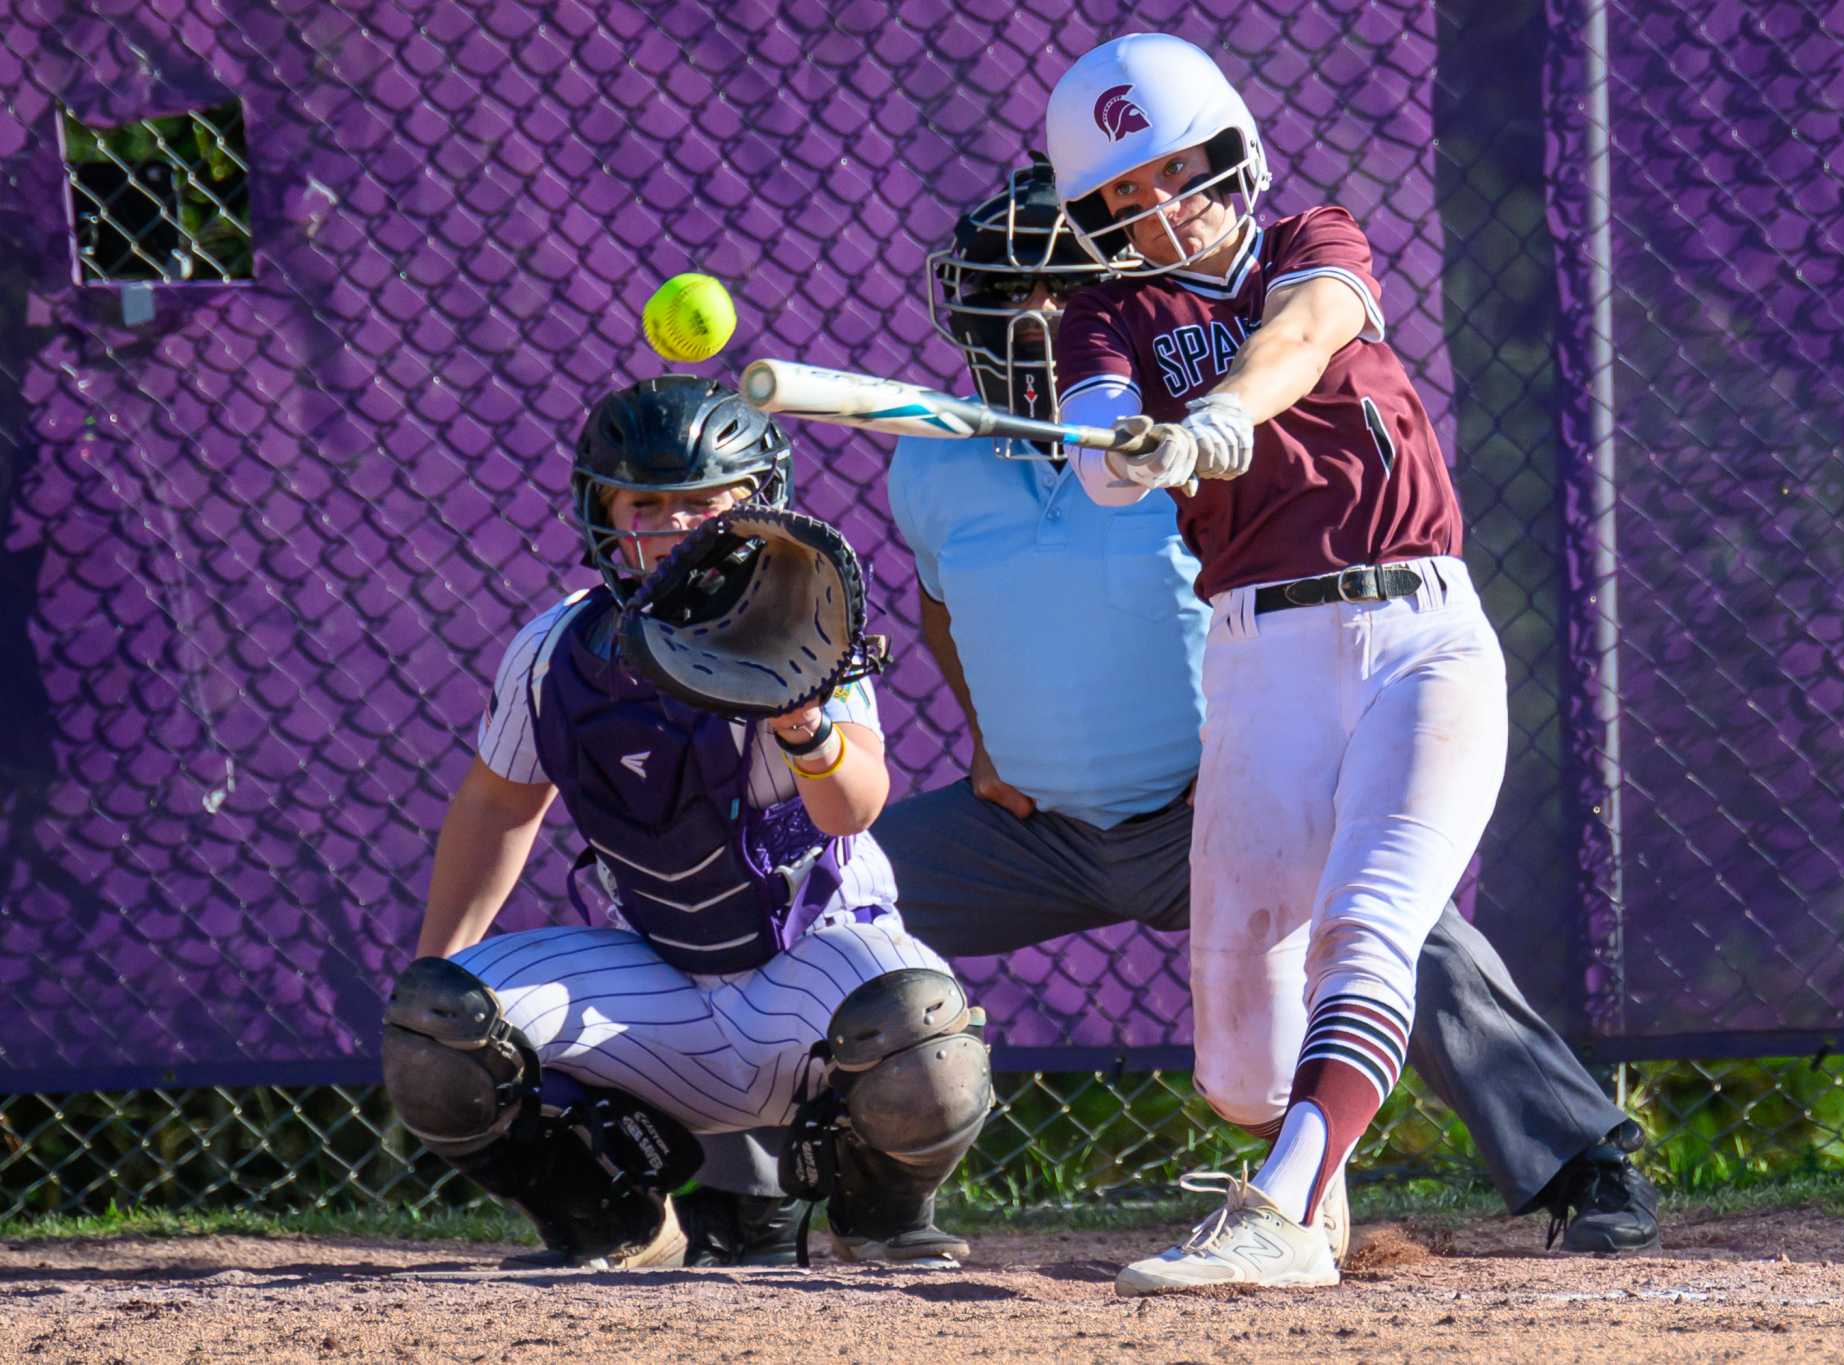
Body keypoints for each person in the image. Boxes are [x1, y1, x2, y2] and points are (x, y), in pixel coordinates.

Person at [677, 158, 1657, 1274]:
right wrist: (991, 748)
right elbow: (943, 613)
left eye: (1060, 297)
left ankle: (1582, 1161)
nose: (1037, 321)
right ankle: (754, 1197)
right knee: (804, 900)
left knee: (1388, 919)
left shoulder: (1167, 438)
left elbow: (1271, 434)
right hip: (1030, 832)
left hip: (1201, 805)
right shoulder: (931, 468)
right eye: (1011, 297)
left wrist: (1182, 433)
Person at [1036, 31, 1608, 1295]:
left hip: (1417, 636)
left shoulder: (1315, 239)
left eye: (1175, 172)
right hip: (1258, 664)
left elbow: (1300, 337)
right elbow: (1091, 450)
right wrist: (1130, 449)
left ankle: (1277, 1209)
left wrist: (1221, 417)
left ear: (1231, 154)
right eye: (1121, 198)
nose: (1156, 211)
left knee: (1371, 925)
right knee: (1240, 1053)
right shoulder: (1103, 315)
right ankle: (1315, 1195)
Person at [377, 375, 992, 1269]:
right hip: (660, 988)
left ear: (759, 505)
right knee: (435, 1027)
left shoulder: (802, 622)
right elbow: (498, 802)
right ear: (602, 511)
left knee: (924, 1034)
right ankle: (612, 1222)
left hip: (816, 976)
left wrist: (803, 723)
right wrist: (435, 962)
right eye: (649, 503)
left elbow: (854, 804)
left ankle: (878, 1217)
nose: (676, 525)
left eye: (706, 502)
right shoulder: (553, 650)